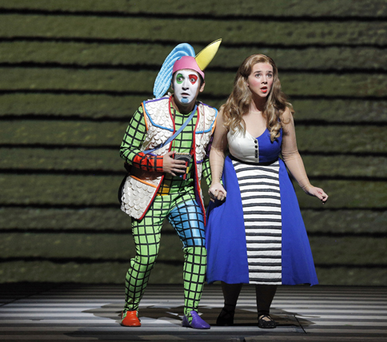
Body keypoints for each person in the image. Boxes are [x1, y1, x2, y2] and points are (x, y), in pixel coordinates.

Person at [206, 54, 328, 329]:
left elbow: (291, 153)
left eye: (269, 74)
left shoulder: (282, 112)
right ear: (245, 79)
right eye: (258, 74)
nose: (264, 80)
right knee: (234, 247)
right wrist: (216, 181)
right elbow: (217, 148)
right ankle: (229, 308)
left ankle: (264, 311)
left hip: (272, 186)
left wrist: (307, 186)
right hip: (238, 182)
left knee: (268, 250)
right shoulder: (229, 111)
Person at [118, 39, 221, 329]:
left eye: (192, 80)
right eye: (180, 79)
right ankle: (130, 308)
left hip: (185, 194)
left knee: (198, 246)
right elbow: (126, 151)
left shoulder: (210, 117)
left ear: (201, 85)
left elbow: (215, 152)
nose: (186, 85)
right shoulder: (149, 111)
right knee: (147, 256)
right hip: (148, 193)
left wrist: (216, 181)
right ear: (171, 83)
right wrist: (159, 164)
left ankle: (190, 311)